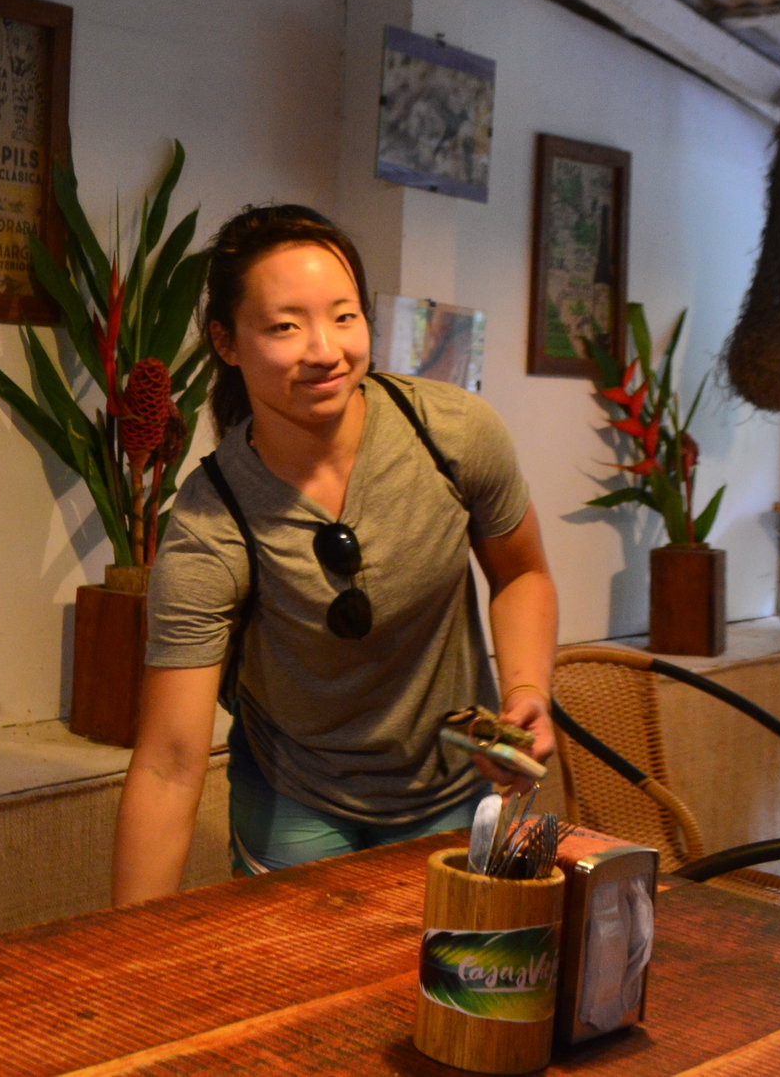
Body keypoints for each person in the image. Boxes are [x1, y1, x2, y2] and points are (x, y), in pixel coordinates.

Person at [111, 205, 560, 903]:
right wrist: (132, 949)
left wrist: (527, 690)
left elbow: (522, 572)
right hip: (296, 799)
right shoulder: (210, 522)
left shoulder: (453, 434)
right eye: (285, 326)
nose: (325, 350)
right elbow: (169, 762)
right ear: (227, 342)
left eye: (344, 317)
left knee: (450, 966)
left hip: (454, 783)